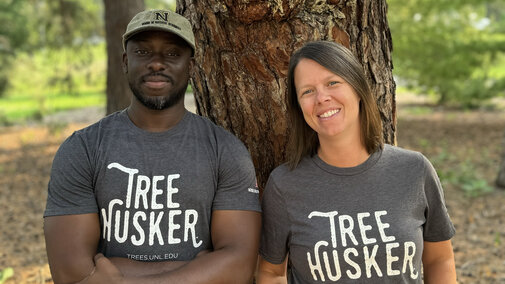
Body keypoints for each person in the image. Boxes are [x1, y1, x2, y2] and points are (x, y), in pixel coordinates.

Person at [44, 9, 261, 283]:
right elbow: (70, 271)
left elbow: (239, 266)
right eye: (143, 53)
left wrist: (121, 278)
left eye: (172, 54)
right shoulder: (82, 149)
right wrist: (198, 270)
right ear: (125, 61)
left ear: (191, 66)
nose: (157, 64)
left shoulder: (226, 151)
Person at [257, 41, 457, 283]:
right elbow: (271, 273)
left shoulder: (414, 170)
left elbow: (439, 260)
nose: (322, 98)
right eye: (307, 91)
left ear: (357, 89)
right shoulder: (284, 185)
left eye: (332, 83)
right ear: (299, 107)